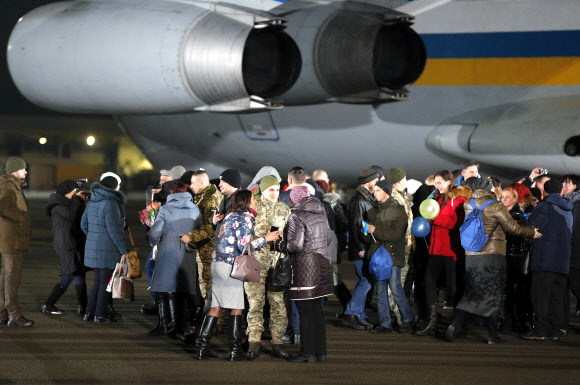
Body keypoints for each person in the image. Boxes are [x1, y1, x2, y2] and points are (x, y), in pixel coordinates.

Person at [445, 177, 539, 344]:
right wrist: (532, 232)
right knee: (494, 294)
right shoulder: (496, 206)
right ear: (489, 189)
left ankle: (456, 323)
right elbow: (513, 228)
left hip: (472, 255)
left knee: (472, 291)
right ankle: (492, 335)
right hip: (492, 255)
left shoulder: (468, 204)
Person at [195, 190, 279, 361]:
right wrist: (266, 238)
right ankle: (234, 350)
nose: (255, 201)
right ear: (246, 201)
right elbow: (245, 246)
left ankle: (202, 347)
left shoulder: (229, 217)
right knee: (237, 306)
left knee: (215, 306)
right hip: (230, 266)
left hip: (217, 264)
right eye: (253, 199)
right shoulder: (244, 218)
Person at [275, 186, 332, 363]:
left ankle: (307, 352)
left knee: (305, 313)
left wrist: (278, 244)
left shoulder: (296, 215)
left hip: (305, 270)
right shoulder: (321, 212)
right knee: (316, 312)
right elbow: (328, 239)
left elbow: (294, 246)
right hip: (322, 266)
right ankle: (320, 352)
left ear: (294, 199)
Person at [416, 170, 470, 336]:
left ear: (449, 182)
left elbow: (454, 223)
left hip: (451, 252)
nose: (437, 186)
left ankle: (458, 324)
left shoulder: (459, 200)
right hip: (435, 249)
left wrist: (434, 217)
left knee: (453, 289)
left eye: (439, 182)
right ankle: (431, 323)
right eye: (435, 183)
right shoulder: (437, 199)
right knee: (429, 284)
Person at [148, 181, 202, 339]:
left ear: (171, 192)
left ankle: (163, 325)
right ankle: (179, 327)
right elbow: (199, 229)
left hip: (168, 252)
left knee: (160, 288)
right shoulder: (195, 209)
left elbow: (155, 232)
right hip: (187, 254)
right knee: (182, 291)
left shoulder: (166, 209)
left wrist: (153, 240)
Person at [245, 176, 291, 359]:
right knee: (255, 304)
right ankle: (253, 342)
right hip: (255, 262)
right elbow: (244, 236)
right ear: (262, 190)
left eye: (277, 190)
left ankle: (277, 343)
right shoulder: (253, 208)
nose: (274, 193)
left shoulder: (284, 209)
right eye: (271, 189)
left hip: (277, 264)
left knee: (278, 305)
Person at [523, 178, 573, 341]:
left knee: (541, 296)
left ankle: (540, 330)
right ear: (561, 190)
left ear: (544, 191)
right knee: (557, 297)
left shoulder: (544, 207)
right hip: (563, 260)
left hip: (544, 258)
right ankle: (555, 329)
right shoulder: (567, 209)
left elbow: (531, 227)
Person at [365, 179, 414, 334]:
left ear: (386, 192)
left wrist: (374, 230)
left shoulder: (398, 211)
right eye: (374, 190)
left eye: (378, 190)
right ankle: (384, 323)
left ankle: (407, 319)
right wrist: (365, 232)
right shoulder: (372, 211)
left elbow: (396, 235)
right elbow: (369, 236)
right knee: (380, 290)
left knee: (395, 287)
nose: (374, 193)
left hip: (392, 255)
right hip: (378, 256)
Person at [81, 173, 128, 323]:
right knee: (106, 283)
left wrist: (95, 236)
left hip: (93, 247)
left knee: (97, 281)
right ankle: (100, 314)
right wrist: (124, 250)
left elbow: (83, 224)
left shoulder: (93, 201)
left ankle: (89, 312)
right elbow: (114, 230)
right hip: (108, 249)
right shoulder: (110, 203)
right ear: (114, 187)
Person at [180, 170, 223, 324]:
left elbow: (210, 227)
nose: (190, 186)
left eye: (193, 183)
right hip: (206, 249)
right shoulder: (204, 196)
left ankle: (214, 324)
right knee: (208, 288)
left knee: (209, 288)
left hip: (208, 250)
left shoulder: (209, 199)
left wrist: (191, 236)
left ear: (202, 183)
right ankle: (211, 322)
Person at [42, 180, 88, 316]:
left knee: (79, 273)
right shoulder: (56, 205)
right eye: (74, 192)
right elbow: (69, 215)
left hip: (73, 243)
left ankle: (83, 306)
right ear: (68, 192)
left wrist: (80, 201)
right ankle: (48, 304)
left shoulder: (68, 202)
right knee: (68, 275)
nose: (76, 194)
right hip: (65, 245)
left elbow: (78, 216)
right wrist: (77, 200)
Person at [341, 168, 379, 330]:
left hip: (363, 247)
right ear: (369, 182)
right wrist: (360, 248)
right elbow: (356, 227)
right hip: (361, 249)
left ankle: (360, 315)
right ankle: (350, 312)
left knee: (362, 281)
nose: (377, 185)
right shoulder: (359, 200)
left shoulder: (366, 198)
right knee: (367, 280)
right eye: (375, 182)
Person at [0, 157, 34, 327]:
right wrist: (20, 218)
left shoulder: (12, 185)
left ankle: (2, 313)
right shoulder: (8, 186)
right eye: (23, 169)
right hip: (12, 239)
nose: (26, 172)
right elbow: (3, 207)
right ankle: (14, 315)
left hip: (10, 238)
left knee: (6, 277)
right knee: (12, 278)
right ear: (14, 170)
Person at [500, 187, 533, 332]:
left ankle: (519, 320)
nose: (504, 199)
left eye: (507, 197)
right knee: (506, 290)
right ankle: (507, 320)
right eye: (502, 197)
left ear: (514, 199)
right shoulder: (499, 214)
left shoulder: (519, 216)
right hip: (504, 256)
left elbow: (520, 236)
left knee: (518, 291)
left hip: (516, 257)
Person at [386, 168, 415, 330]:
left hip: (405, 247)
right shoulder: (395, 199)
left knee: (400, 284)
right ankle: (401, 317)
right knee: (396, 285)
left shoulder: (399, 197)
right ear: (401, 180)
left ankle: (403, 316)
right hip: (399, 248)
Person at [562, 174, 580, 317]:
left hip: (574, 253)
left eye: (568, 183)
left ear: (576, 186)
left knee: (575, 283)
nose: (564, 185)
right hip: (571, 252)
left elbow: (573, 230)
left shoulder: (575, 204)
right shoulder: (568, 202)